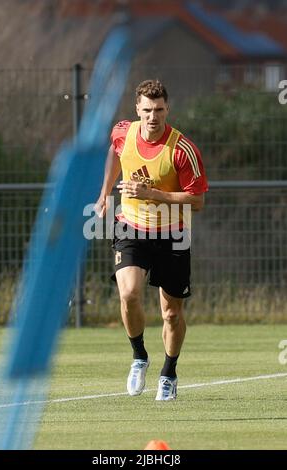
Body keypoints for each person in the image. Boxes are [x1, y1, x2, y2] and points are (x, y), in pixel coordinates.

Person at [95, 79, 208, 400]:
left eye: (159, 110)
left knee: (171, 313)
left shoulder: (183, 150)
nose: (152, 117)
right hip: (130, 227)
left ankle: (169, 372)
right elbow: (114, 152)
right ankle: (139, 357)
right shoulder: (122, 132)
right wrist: (104, 193)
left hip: (172, 235)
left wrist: (152, 194)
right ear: (137, 110)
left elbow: (197, 201)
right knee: (129, 293)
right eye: (146, 110)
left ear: (167, 109)